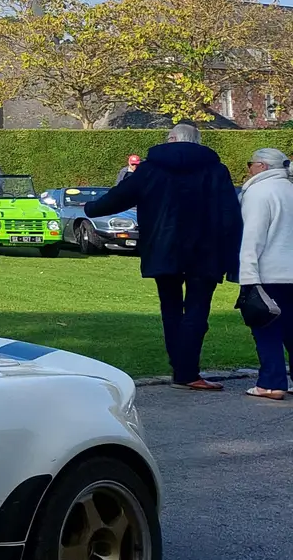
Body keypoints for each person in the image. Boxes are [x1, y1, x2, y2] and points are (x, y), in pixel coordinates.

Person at [86, 123, 242, 392]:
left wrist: (91, 208)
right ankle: (187, 371)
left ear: (171, 139)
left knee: (171, 309)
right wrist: (233, 254)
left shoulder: (150, 169)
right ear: (198, 141)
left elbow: (121, 196)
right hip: (206, 250)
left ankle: (181, 370)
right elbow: (230, 213)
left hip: (163, 246)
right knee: (197, 310)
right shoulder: (215, 170)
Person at [237, 148, 293, 400]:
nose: (248, 168)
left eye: (251, 163)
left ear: (262, 166)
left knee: (265, 327)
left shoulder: (259, 192)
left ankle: (271, 383)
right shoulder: (290, 189)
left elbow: (253, 237)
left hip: (269, 272)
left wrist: (248, 277)